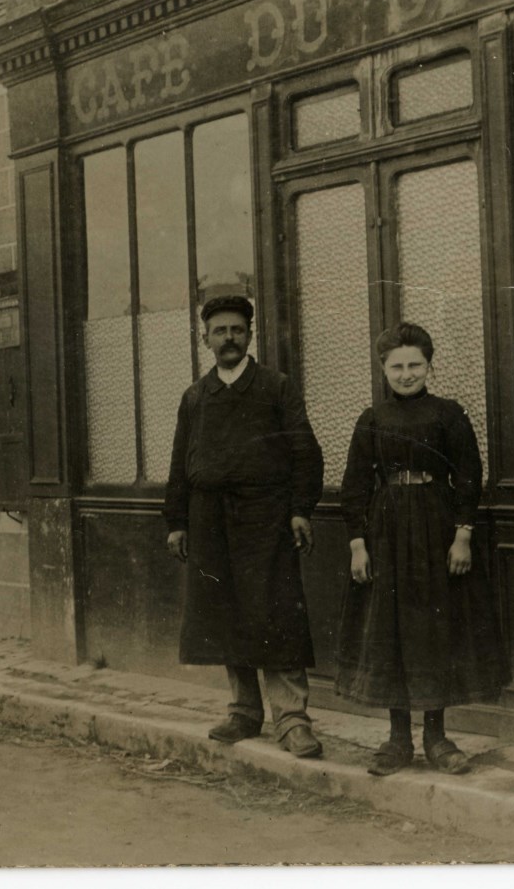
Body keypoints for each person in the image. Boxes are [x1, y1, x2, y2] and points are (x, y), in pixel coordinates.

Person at [337, 323, 510, 776]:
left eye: (415, 364)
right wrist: (358, 545)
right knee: (392, 631)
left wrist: (463, 534)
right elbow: (354, 486)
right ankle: (398, 741)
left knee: (436, 631)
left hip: (437, 529)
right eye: (397, 366)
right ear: (383, 369)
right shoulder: (371, 419)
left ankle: (436, 737)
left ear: (429, 366)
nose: (407, 373)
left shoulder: (448, 414)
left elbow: (469, 475)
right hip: (387, 534)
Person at [164, 295, 326, 759]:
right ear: (205, 340)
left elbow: (305, 453)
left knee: (277, 615)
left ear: (250, 335)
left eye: (237, 329)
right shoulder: (195, 397)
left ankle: (292, 719)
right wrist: (176, 521)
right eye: (220, 331)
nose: (229, 338)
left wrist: (300, 509)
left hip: (267, 518)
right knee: (225, 614)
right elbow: (179, 464)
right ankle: (243, 711)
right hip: (209, 519)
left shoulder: (276, 387)